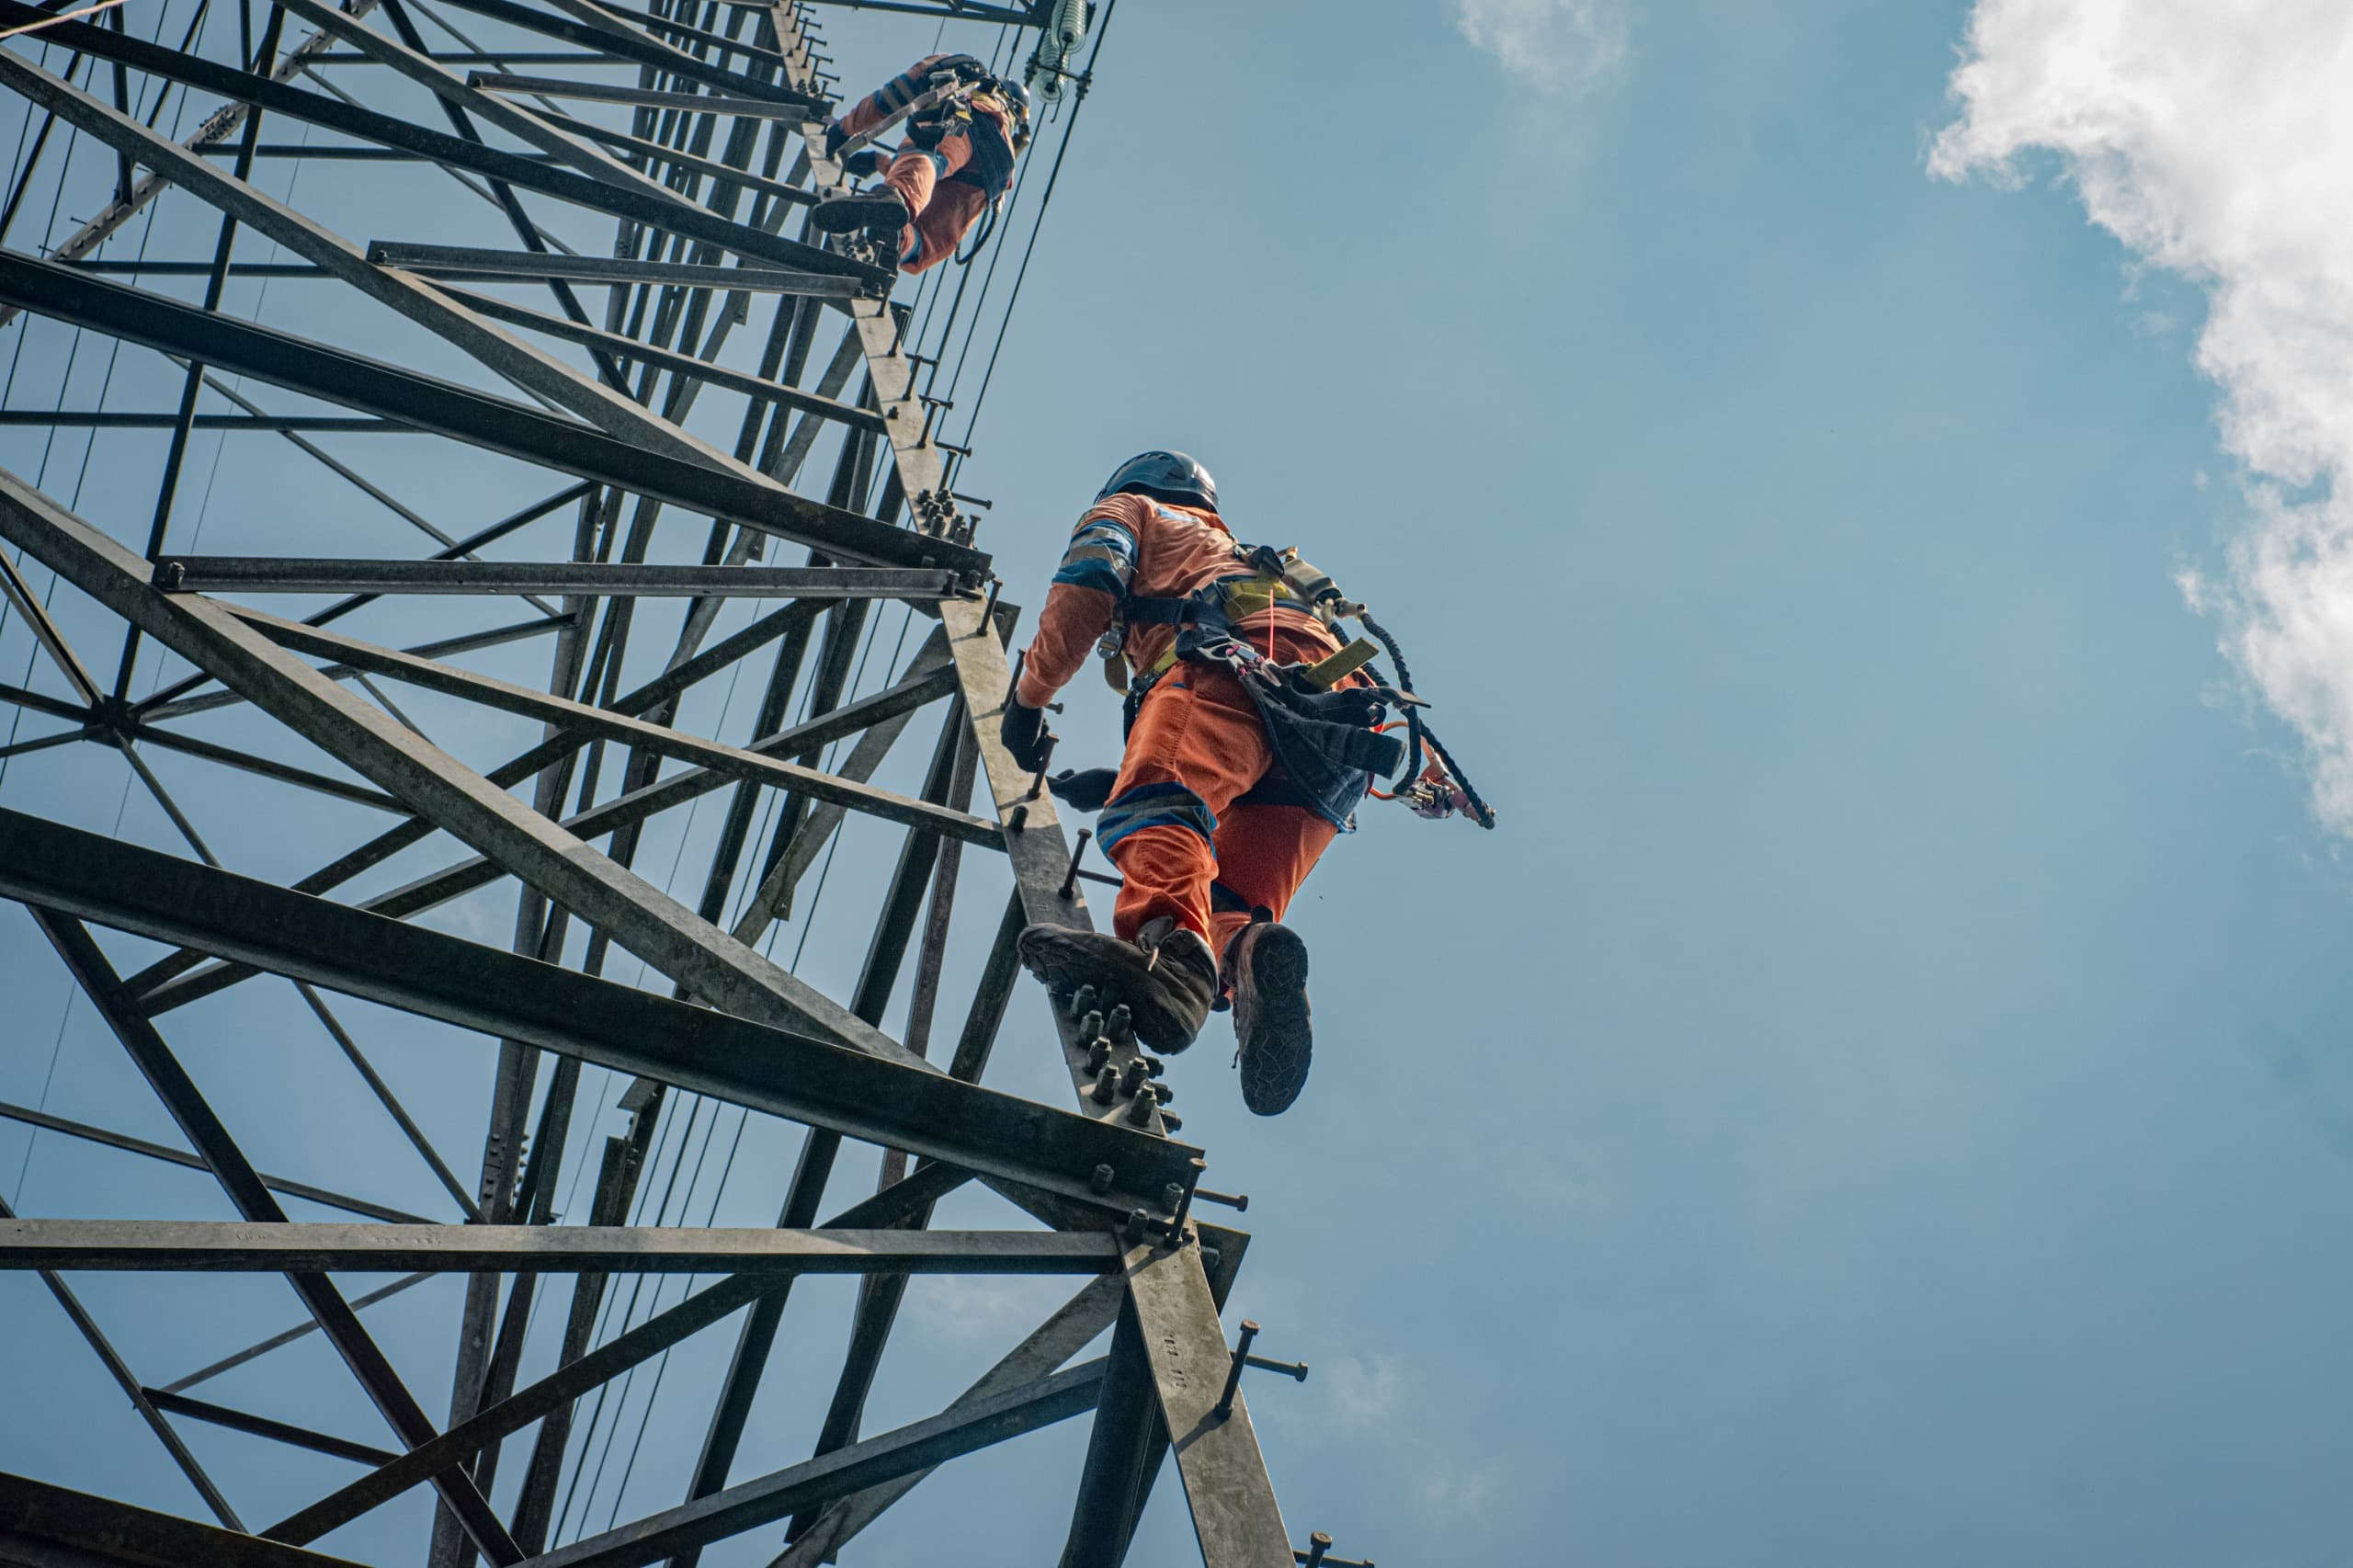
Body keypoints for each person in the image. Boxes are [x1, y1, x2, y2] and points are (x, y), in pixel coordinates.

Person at [1001, 451, 1461, 1115]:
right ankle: (1247, 958)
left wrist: (1029, 699)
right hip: (1338, 738)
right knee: (1223, 898)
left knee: (1155, 806)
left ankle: (1173, 963)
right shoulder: (1255, 559)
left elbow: (1089, 582)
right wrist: (1119, 775)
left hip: (1234, 668)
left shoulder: (1135, 511)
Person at [808, 53, 1030, 275]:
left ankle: (895, 197)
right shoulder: (1006, 133)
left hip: (967, 118)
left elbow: (891, 97)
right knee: (925, 240)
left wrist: (844, 128)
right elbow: (924, 177)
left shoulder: (961, 71)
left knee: (931, 152)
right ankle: (896, 243)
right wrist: (879, 162)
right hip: (993, 175)